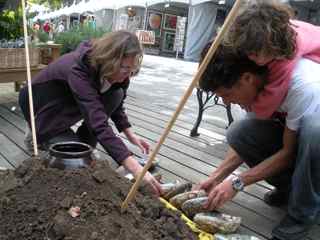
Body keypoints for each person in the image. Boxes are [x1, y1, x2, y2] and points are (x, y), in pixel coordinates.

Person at [196, 44, 320, 240]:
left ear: (247, 78)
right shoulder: (258, 82)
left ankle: (302, 214)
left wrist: (237, 182)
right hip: (299, 140)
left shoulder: (304, 85)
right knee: (239, 132)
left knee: (315, 130)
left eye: (226, 95)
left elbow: (287, 153)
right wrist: (216, 177)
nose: (226, 103)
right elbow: (258, 143)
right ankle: (290, 189)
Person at [19, 30, 163, 196]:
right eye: (124, 69)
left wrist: (130, 135)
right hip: (44, 106)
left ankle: (85, 144)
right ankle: (36, 135)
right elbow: (98, 122)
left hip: (72, 102)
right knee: (72, 163)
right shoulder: (78, 69)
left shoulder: (121, 74)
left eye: (131, 70)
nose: (126, 77)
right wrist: (134, 167)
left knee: (116, 94)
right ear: (111, 61)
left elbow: (117, 105)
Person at [225, 0, 320, 119]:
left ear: (272, 45)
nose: (250, 57)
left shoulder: (285, 58)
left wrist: (252, 107)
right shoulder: (274, 35)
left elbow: (272, 96)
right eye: (247, 52)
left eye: (255, 53)